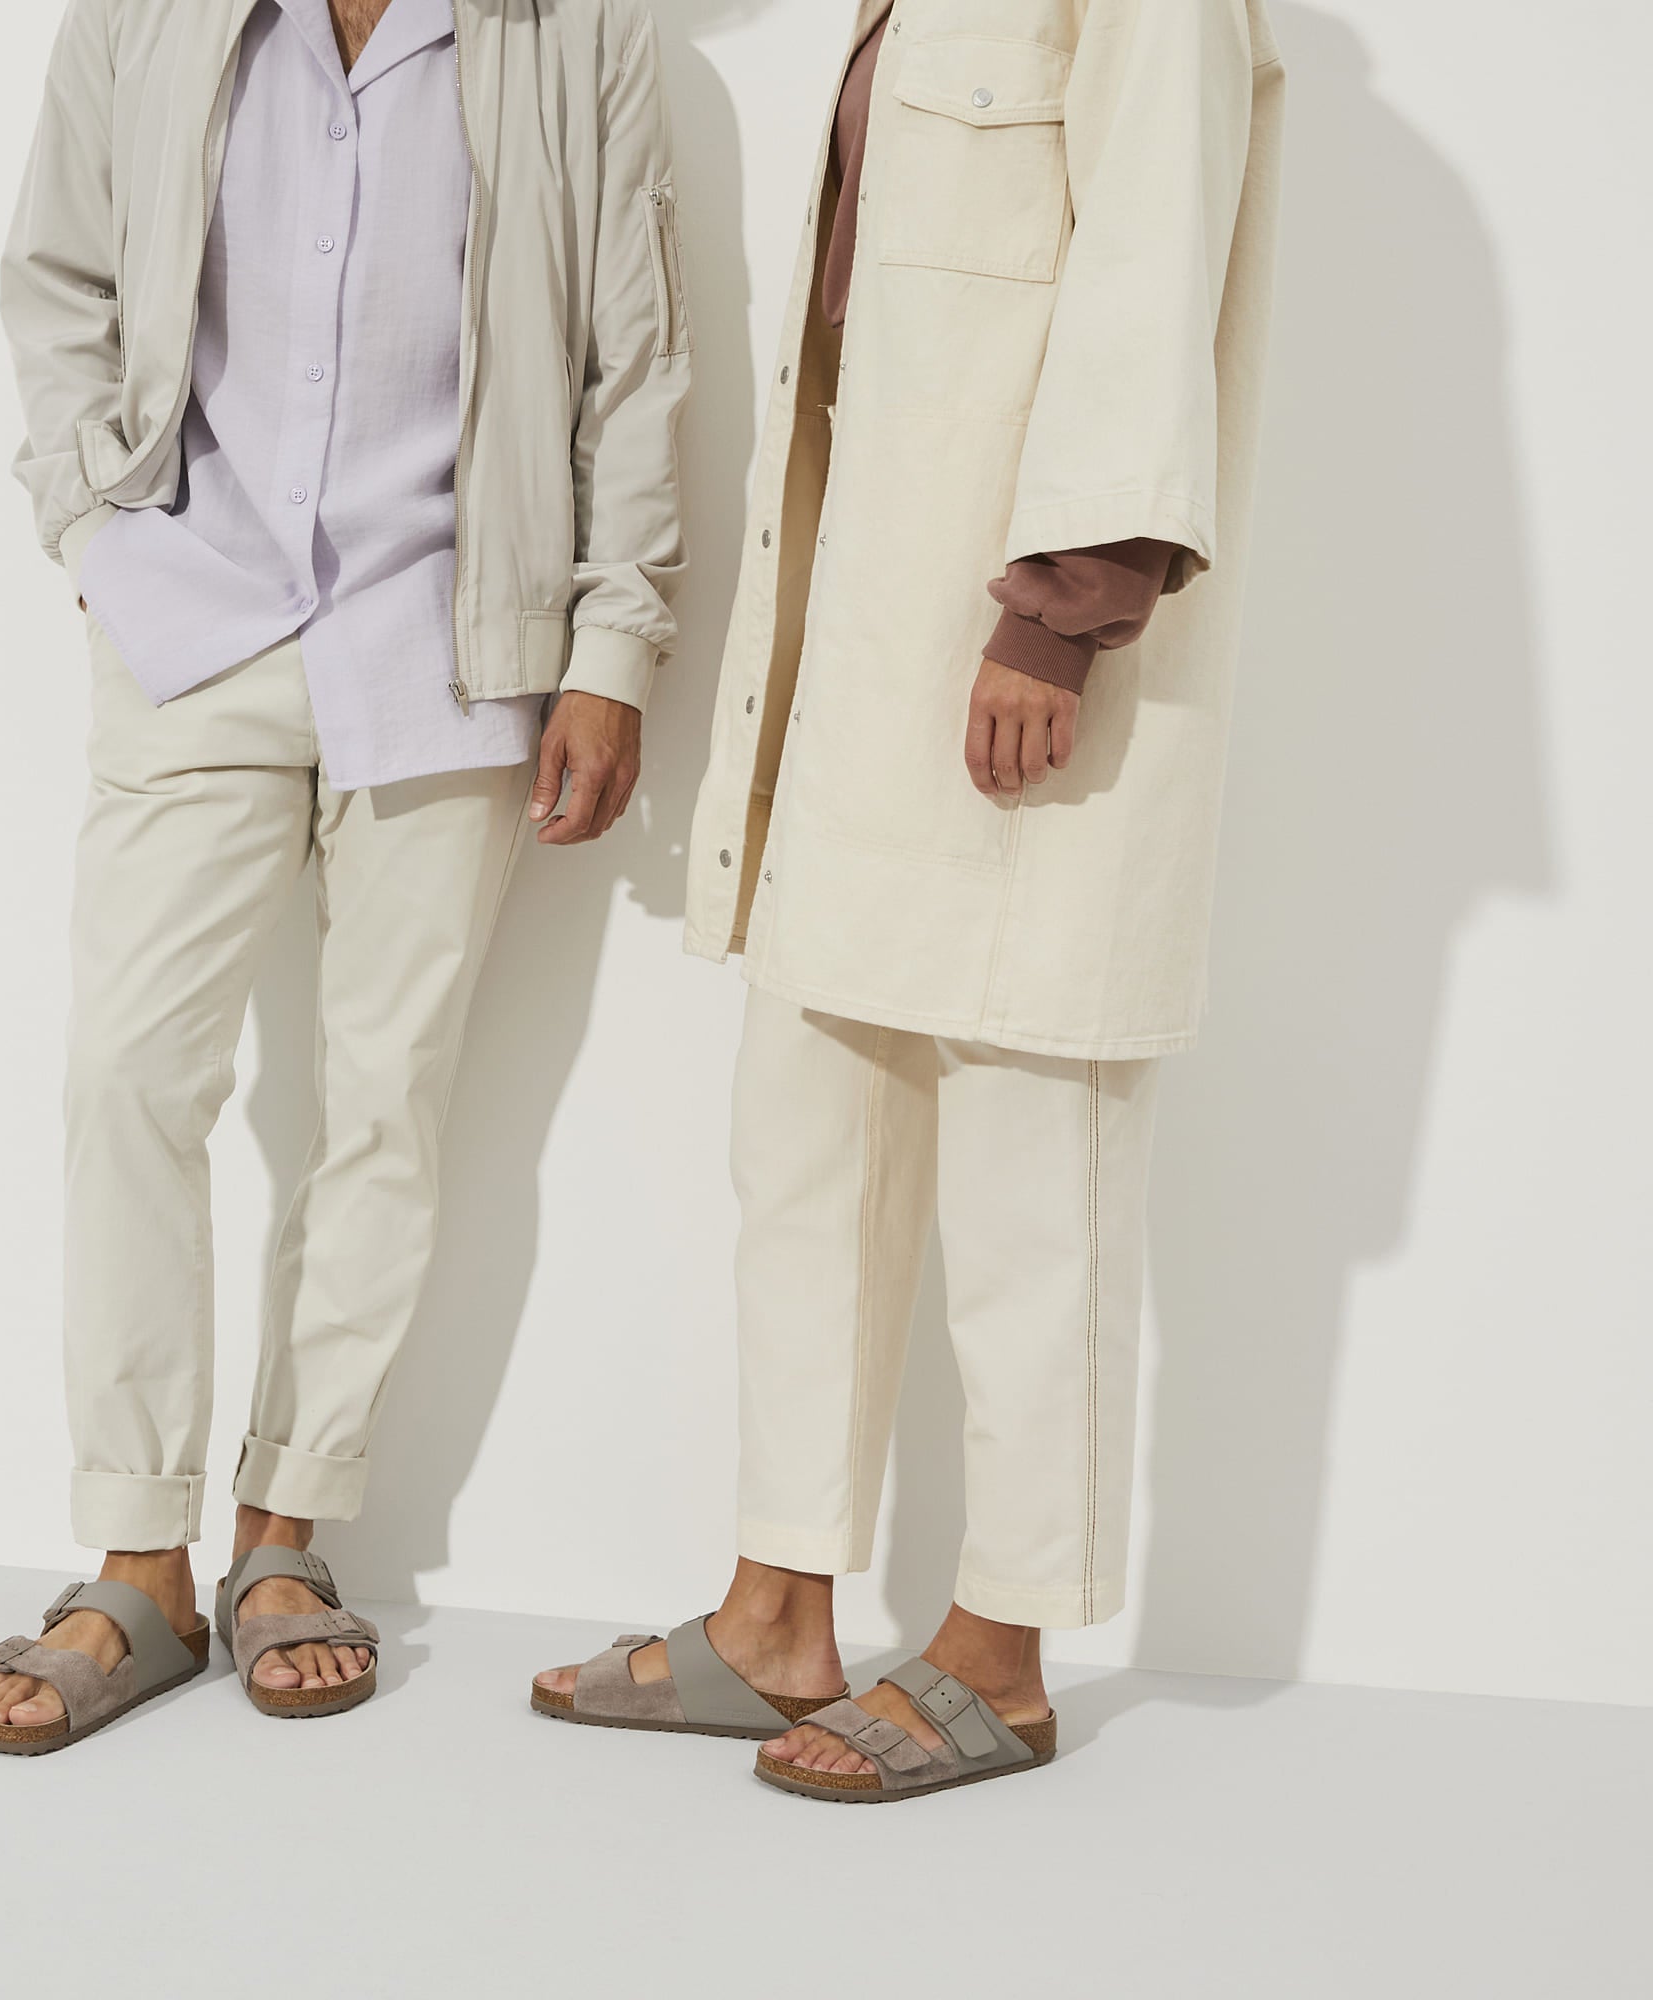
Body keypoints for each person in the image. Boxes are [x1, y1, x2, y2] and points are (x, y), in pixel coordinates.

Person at [534, 0, 1286, 1803]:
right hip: (867, 655)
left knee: (1033, 1150)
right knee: (805, 1135)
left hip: (1029, 659)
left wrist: (1062, 611)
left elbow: (1151, 265)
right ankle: (776, 1611)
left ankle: (1000, 1656)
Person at [0, 0, 688, 1754]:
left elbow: (635, 363)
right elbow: (56, 278)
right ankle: (139, 1556)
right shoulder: (142, 16)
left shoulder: (577, 32)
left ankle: (286, 1536)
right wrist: (94, 529)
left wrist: (612, 645)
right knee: (128, 1074)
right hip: (192, 621)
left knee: (386, 1101)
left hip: (450, 635)